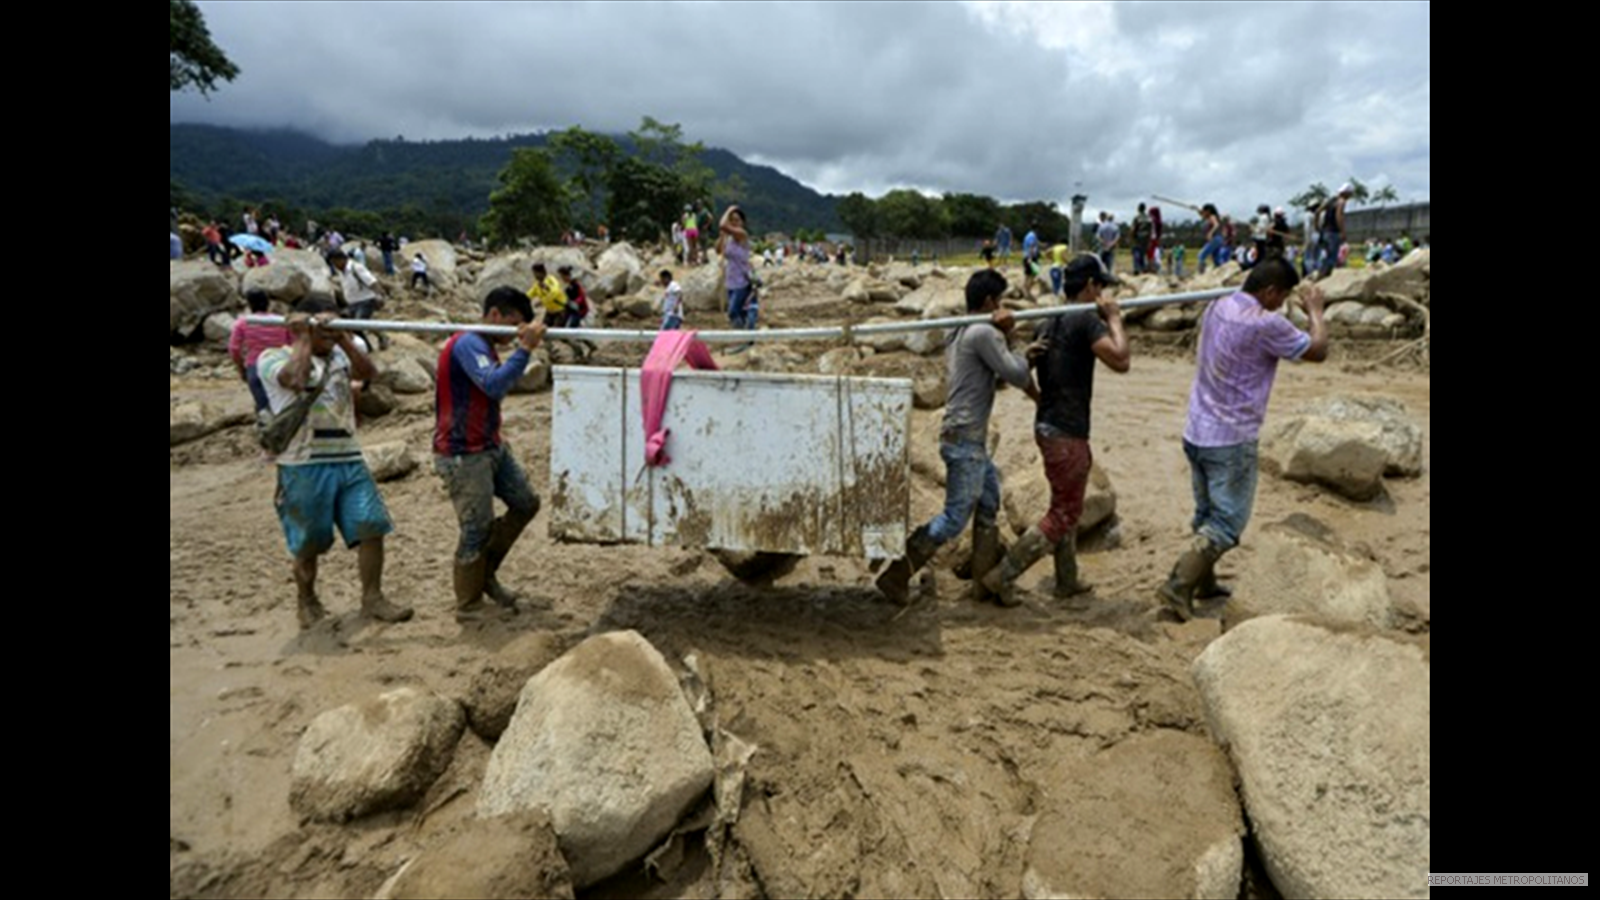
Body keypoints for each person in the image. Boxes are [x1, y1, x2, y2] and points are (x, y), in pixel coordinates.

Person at [1157, 257, 1327, 620]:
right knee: (1227, 524)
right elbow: (1317, 350)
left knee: (1206, 513)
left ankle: (1203, 582)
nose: (1282, 304)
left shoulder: (1219, 304)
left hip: (1198, 430)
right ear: (1268, 291)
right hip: (1231, 438)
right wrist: (1315, 312)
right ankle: (1177, 586)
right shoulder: (1264, 323)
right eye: (1281, 297)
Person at [876, 269, 1039, 605]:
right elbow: (1016, 374)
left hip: (964, 434)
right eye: (1002, 299)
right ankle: (896, 574)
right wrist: (1015, 337)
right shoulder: (983, 332)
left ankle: (983, 584)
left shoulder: (961, 328)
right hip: (965, 435)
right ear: (990, 302)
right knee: (953, 519)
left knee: (989, 503)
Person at [982, 255, 1129, 606]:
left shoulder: (1047, 321)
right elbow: (1121, 360)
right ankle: (1001, 576)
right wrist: (1114, 320)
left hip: (1050, 424)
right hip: (1066, 431)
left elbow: (1023, 371)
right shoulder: (1086, 321)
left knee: (1066, 505)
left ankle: (1067, 579)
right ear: (1091, 286)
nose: (1103, 293)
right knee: (1063, 514)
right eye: (1101, 286)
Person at [258, 298, 413, 629]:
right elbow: (296, 380)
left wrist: (342, 337)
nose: (329, 333)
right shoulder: (272, 358)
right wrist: (302, 337)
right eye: (323, 328)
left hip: (349, 457)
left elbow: (370, 374)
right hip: (303, 463)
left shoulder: (340, 354)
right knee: (309, 541)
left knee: (372, 525)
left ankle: (372, 598)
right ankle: (307, 598)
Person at [435, 288, 547, 620]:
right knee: (476, 527)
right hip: (462, 453)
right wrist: (526, 349)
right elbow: (494, 385)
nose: (515, 334)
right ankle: (468, 604)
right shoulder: (469, 343)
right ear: (495, 315)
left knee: (526, 502)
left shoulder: (484, 346)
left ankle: (485, 576)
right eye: (513, 324)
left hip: (489, 445)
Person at [229, 289, 293, 416]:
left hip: (255, 366)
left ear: (249, 305)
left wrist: (241, 369)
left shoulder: (243, 323)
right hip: (279, 364)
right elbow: (293, 343)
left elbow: (234, 349)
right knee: (283, 404)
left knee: (264, 408)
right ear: (268, 303)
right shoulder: (281, 321)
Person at [329, 248, 388, 349]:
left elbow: (372, 281)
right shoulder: (341, 272)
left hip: (366, 300)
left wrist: (380, 295)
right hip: (353, 302)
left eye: (335, 263)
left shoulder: (356, 268)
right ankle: (377, 339)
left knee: (357, 324)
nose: (335, 266)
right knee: (355, 324)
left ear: (341, 259)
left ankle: (368, 346)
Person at [718, 205, 758, 336]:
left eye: (737, 220)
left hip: (742, 280)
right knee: (739, 311)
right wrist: (722, 236)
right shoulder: (730, 238)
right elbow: (718, 249)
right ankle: (746, 334)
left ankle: (742, 335)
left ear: (743, 222)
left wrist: (729, 209)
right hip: (731, 279)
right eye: (732, 220)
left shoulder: (742, 235)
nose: (734, 223)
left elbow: (722, 225)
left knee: (732, 311)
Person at [1317, 183, 1353, 278]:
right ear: (1346, 193)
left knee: (1326, 255)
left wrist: (1317, 227)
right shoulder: (1341, 202)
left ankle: (1320, 273)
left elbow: (1317, 212)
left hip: (1325, 231)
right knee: (1332, 257)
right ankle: (1324, 276)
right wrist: (1342, 231)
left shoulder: (1330, 201)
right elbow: (1339, 216)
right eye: (1350, 194)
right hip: (1333, 232)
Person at [1198, 204, 1225, 273]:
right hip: (1219, 239)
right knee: (1216, 259)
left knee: (1201, 255)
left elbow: (1216, 225)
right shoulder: (1209, 217)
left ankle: (1201, 273)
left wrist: (1210, 233)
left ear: (1208, 211)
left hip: (1215, 238)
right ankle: (1220, 272)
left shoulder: (1212, 216)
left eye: (1205, 211)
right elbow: (1202, 215)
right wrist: (1196, 209)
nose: (1203, 213)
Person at [1130, 204, 1153, 274]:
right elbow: (1151, 230)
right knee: (1143, 254)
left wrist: (1132, 237)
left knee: (1136, 253)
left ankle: (1136, 268)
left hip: (1138, 237)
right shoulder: (1149, 218)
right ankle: (1143, 268)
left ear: (1138, 209)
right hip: (1146, 238)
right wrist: (1149, 240)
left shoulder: (1137, 218)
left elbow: (1133, 229)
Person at [1022, 223, 1042, 296]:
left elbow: (1036, 244)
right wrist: (1031, 257)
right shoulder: (1032, 236)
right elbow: (1031, 246)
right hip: (1031, 257)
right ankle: (1028, 290)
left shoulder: (1029, 235)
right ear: (1037, 229)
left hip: (1026, 256)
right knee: (1034, 273)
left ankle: (1025, 289)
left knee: (1028, 274)